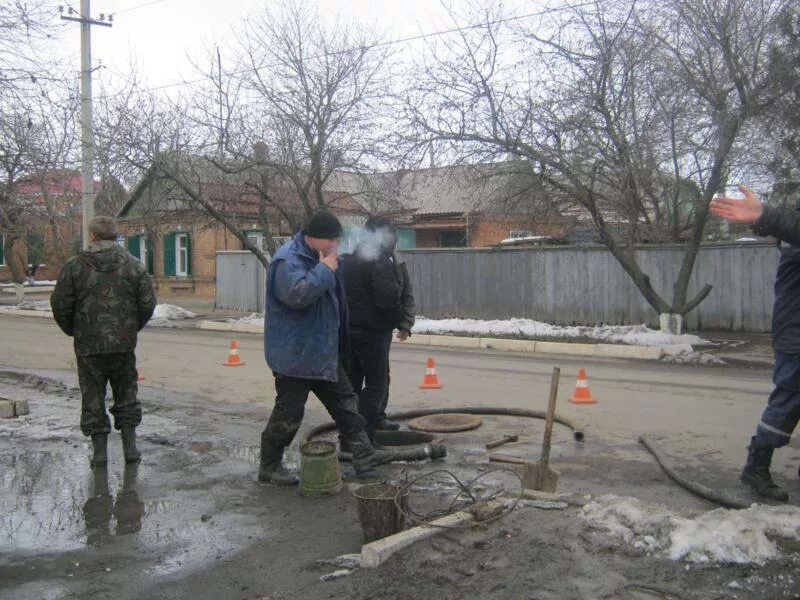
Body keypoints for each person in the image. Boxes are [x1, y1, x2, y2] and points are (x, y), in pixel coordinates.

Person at [260, 211, 396, 485]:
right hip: (295, 355)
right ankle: (270, 465)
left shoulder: (320, 257)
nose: (335, 245)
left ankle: (364, 457)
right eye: (332, 240)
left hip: (323, 352)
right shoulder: (288, 260)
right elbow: (298, 295)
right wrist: (325, 270)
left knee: (347, 406)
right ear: (315, 238)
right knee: (289, 414)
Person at [711, 184, 800, 501]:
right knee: (787, 404)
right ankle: (756, 467)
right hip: (796, 337)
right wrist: (764, 215)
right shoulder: (792, 233)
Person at [51, 216, 157, 468]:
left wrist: (75, 330)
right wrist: (130, 329)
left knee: (92, 397)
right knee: (127, 394)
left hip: (89, 345)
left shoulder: (75, 266)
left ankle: (100, 454)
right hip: (122, 344)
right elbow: (147, 304)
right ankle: (130, 449)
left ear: (93, 236)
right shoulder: (134, 266)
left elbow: (60, 304)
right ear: (114, 235)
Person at [341, 217, 406, 441]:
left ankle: (348, 437)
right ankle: (364, 438)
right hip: (372, 333)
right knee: (376, 386)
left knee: (353, 387)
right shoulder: (379, 261)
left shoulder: (347, 260)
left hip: (349, 332)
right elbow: (388, 299)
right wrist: (396, 320)